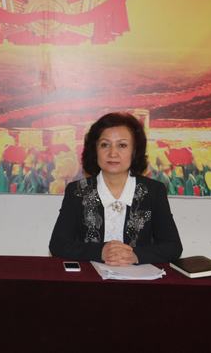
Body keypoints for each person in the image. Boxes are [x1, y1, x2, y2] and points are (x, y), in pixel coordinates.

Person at [49, 112, 182, 265]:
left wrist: (135, 256)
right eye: (105, 145)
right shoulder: (77, 190)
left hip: (138, 277)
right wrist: (100, 252)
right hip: (90, 277)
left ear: (134, 151)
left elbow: (173, 247)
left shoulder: (153, 191)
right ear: (95, 150)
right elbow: (58, 245)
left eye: (122, 145)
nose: (113, 153)